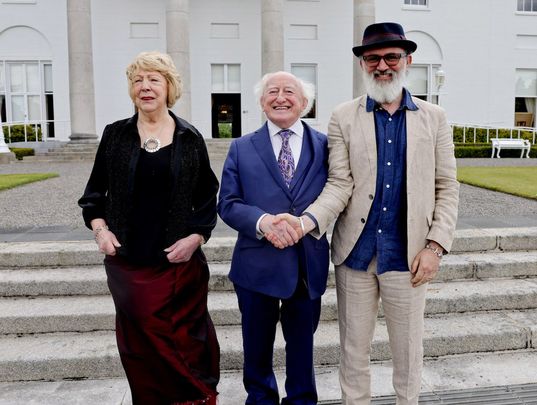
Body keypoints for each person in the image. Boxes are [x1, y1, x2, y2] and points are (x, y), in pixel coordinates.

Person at [274, 22, 460, 404]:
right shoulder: (343, 116)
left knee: (407, 353)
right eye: (373, 58)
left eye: (391, 57)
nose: (382, 66)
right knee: (353, 352)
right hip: (354, 255)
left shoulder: (434, 118)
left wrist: (436, 246)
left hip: (408, 256)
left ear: (407, 60)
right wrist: (307, 221)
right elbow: (340, 183)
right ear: (363, 65)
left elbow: (447, 187)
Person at [78, 51, 220, 405]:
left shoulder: (190, 137)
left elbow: (206, 198)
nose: (145, 86)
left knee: (186, 338)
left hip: (178, 264)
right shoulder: (115, 135)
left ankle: (196, 398)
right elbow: (93, 195)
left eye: (154, 79)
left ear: (169, 88)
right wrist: (101, 231)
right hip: (128, 262)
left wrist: (196, 237)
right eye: (138, 80)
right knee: (141, 341)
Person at [217, 71, 329, 405]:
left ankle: (302, 399)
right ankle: (261, 398)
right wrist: (265, 223)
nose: (280, 97)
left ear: (304, 103)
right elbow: (228, 203)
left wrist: (303, 224)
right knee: (256, 346)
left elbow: (339, 193)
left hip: (306, 263)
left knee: (302, 347)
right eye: (272, 92)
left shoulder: (325, 145)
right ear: (262, 102)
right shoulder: (240, 147)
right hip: (256, 265)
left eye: (289, 91)